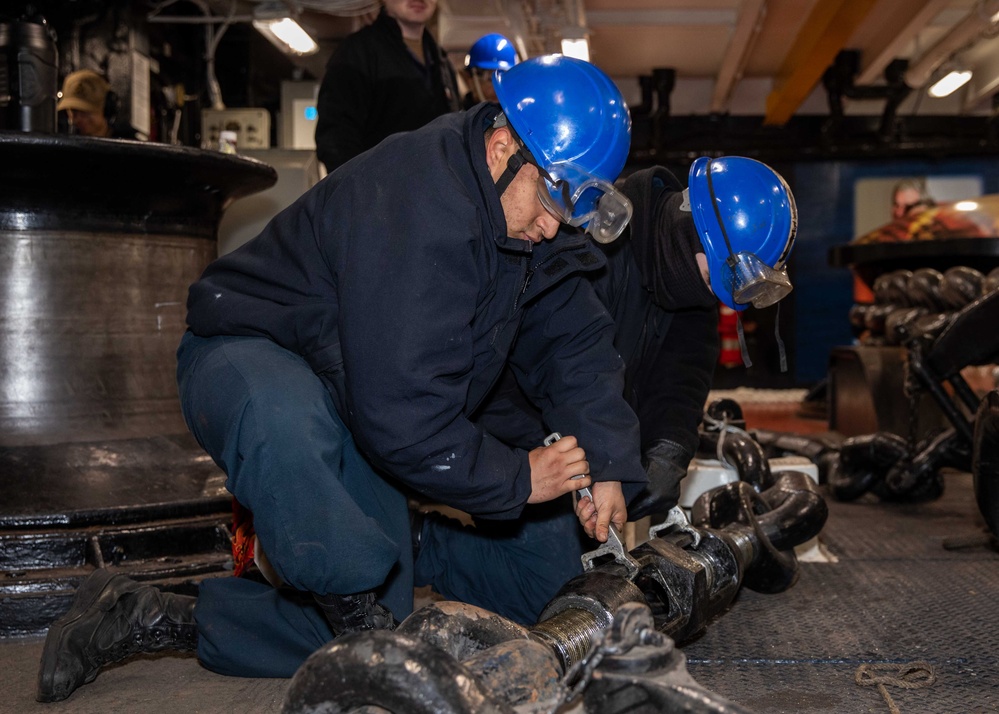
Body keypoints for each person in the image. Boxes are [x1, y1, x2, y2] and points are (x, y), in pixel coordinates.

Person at [36, 55, 648, 703]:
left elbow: (573, 342)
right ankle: (294, 597)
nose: (554, 224)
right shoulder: (418, 199)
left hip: (360, 396)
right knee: (293, 441)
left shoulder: (526, 215)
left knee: (537, 590)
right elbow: (403, 417)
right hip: (254, 354)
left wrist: (604, 457)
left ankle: (169, 609)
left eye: (571, 208)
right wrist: (516, 478)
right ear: (502, 148)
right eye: (553, 198)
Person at [474, 157, 798, 521]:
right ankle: (429, 542)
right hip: (515, 430)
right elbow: (568, 363)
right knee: (548, 568)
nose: (712, 296)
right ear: (695, 233)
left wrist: (668, 450)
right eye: (712, 281)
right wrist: (607, 462)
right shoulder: (594, 239)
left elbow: (684, 374)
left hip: (586, 433)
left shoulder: (684, 275)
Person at [314, 0, 461, 174]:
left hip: (433, 191)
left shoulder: (442, 63)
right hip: (380, 192)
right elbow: (336, 139)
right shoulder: (357, 53)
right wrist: (363, 193)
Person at [56, 69, 132, 138]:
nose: (77, 119)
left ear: (107, 109)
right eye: (73, 112)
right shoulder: (63, 142)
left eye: (84, 113)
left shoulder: (129, 144)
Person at [461, 32, 517, 108]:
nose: (499, 87)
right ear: (471, 80)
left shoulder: (516, 117)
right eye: (491, 78)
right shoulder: (456, 119)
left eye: (505, 79)